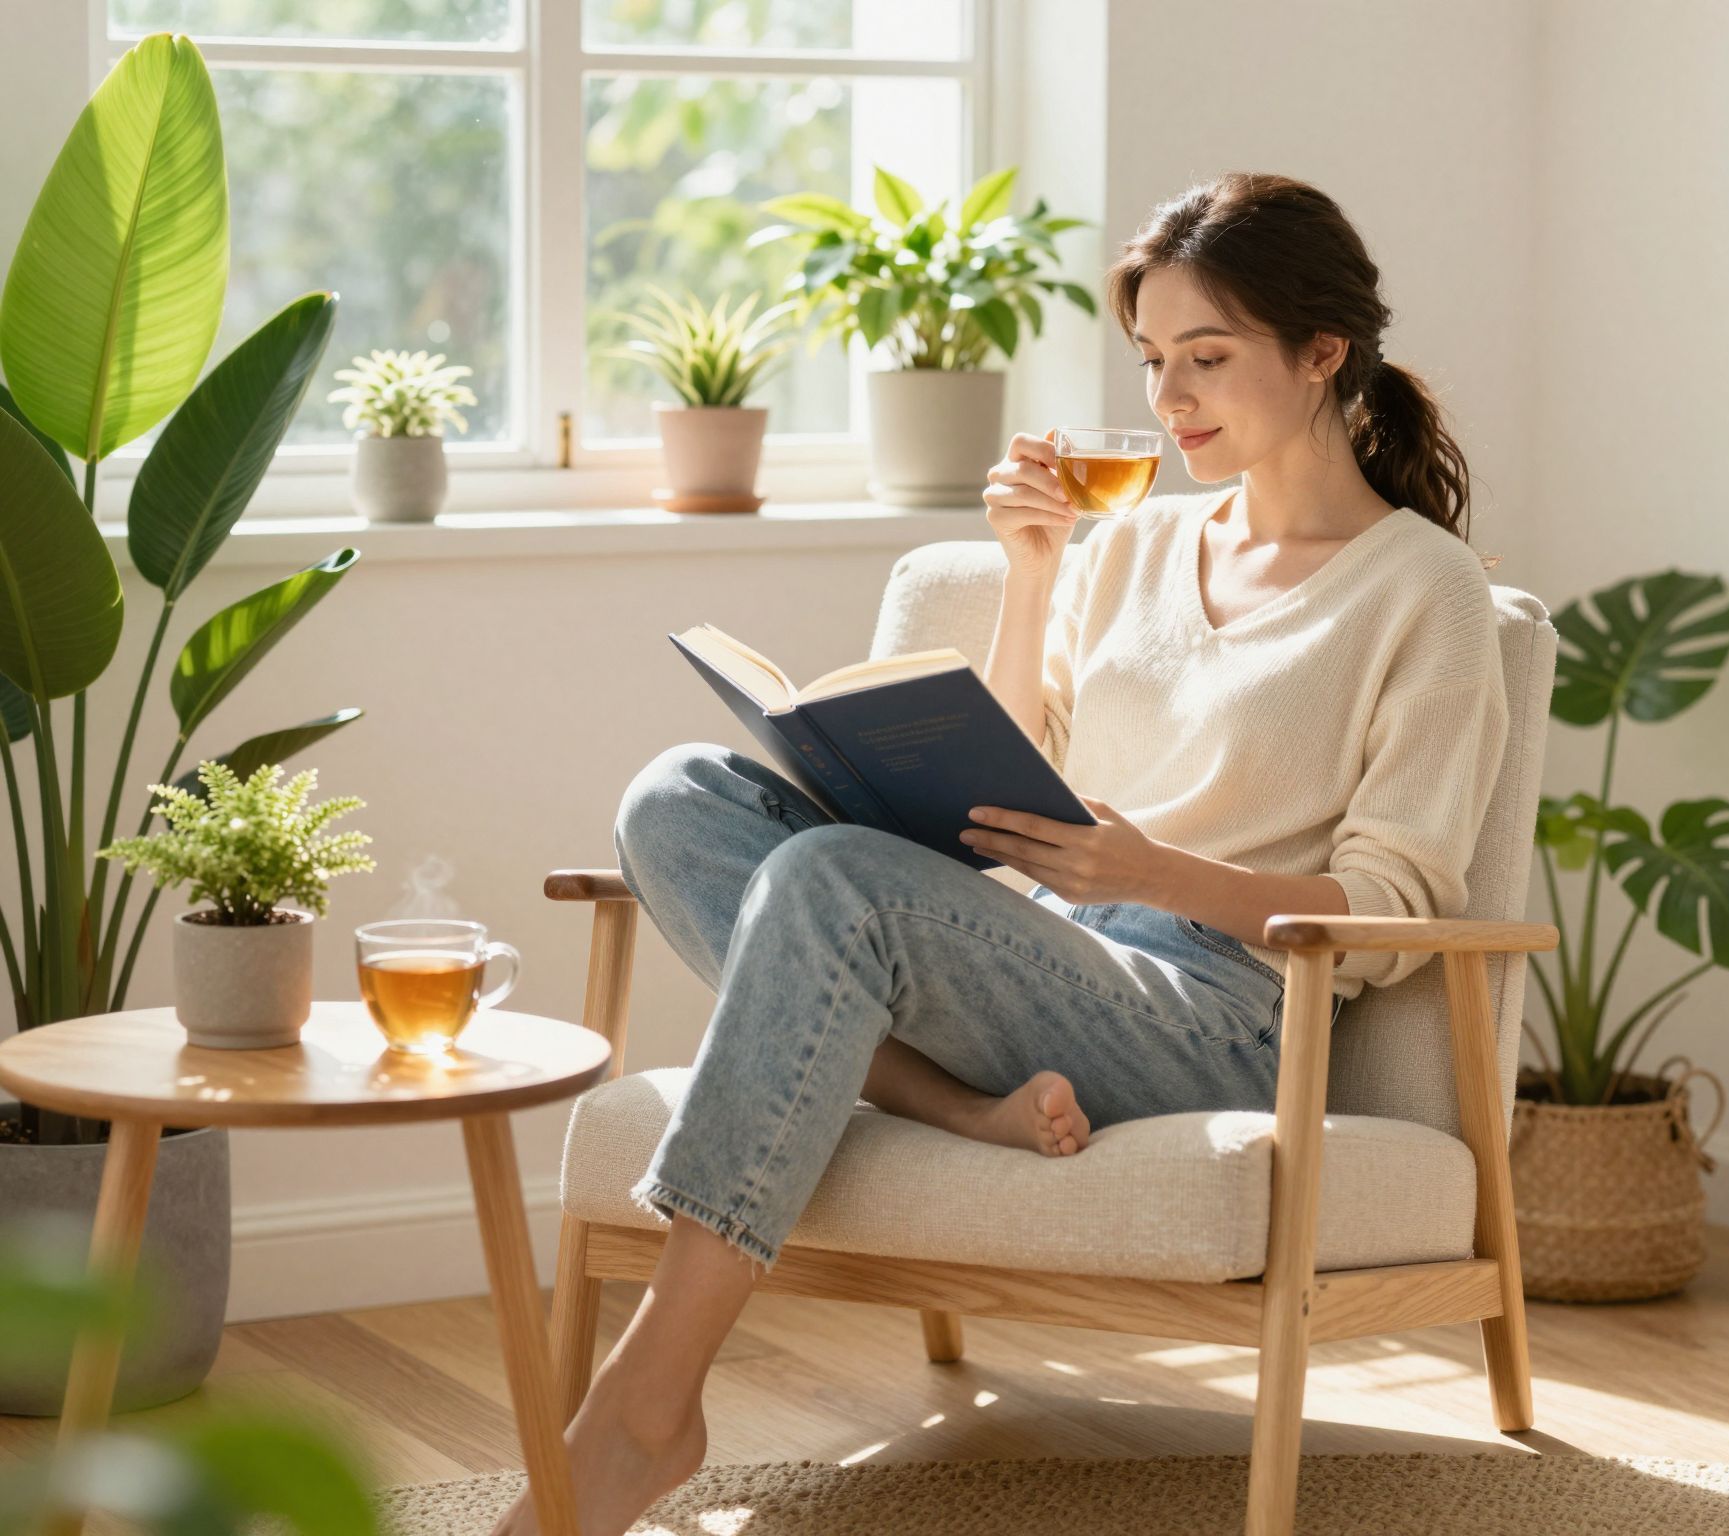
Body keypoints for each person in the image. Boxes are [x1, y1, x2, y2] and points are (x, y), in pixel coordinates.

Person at [488, 170, 1510, 1536]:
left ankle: (644, 1407)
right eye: (1153, 361)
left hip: (1225, 1015)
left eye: (1207, 359)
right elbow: (1025, 759)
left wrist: (1157, 876)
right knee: (678, 796)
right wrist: (1034, 571)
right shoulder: (1133, 545)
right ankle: (947, 1102)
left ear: (1324, 354)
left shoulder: (1422, 591)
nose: (1170, 400)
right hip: (1057, 952)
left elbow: (1392, 904)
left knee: (828, 882)